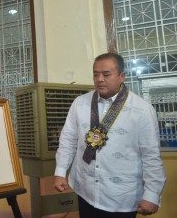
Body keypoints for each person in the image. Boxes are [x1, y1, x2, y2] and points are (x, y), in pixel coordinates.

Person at [53, 53, 166, 217]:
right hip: (85, 191)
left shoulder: (142, 110)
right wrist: (60, 171)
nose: (99, 79)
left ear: (122, 76)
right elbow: (68, 140)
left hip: (121, 197)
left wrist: (152, 194)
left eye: (106, 74)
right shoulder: (80, 103)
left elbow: (150, 155)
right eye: (95, 74)